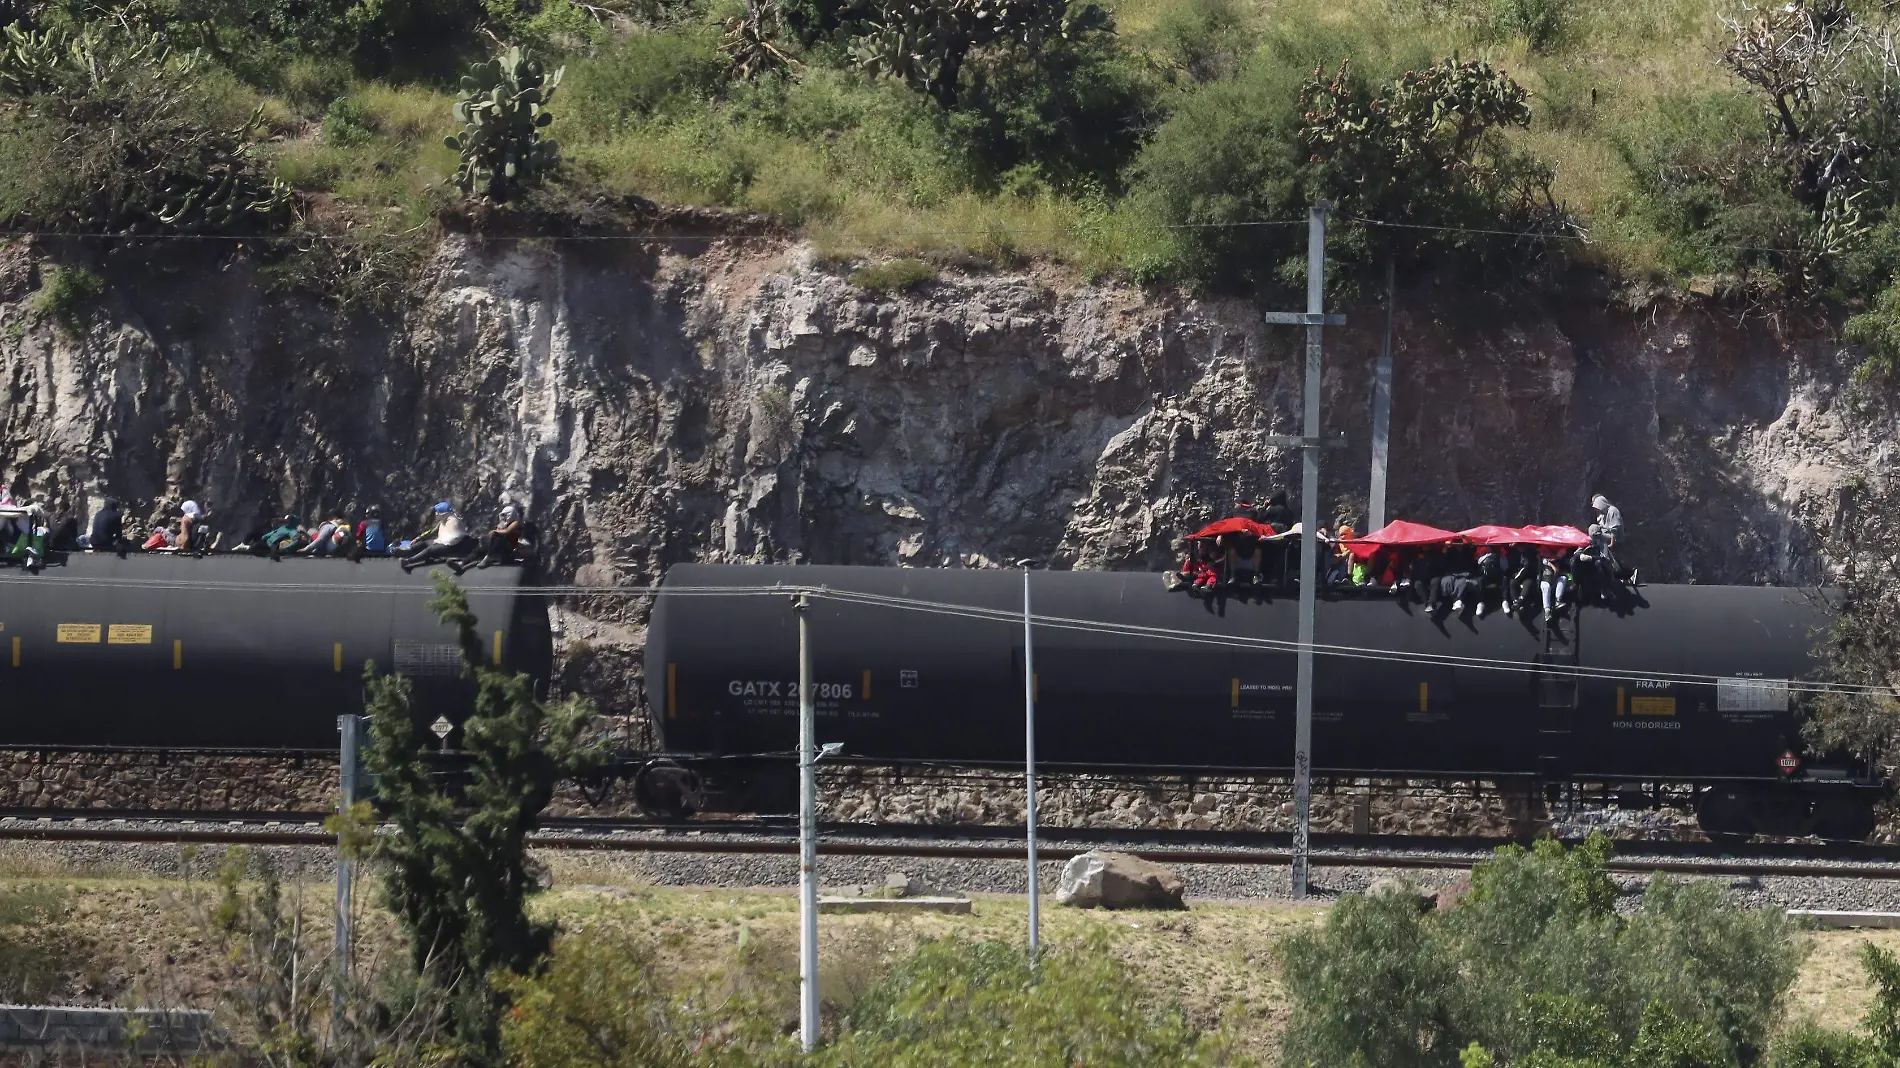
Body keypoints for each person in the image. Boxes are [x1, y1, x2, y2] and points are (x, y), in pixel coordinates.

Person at [402, 502, 474, 571]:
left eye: (438, 512)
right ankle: (405, 551)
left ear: (443, 513)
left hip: (453, 547)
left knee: (430, 549)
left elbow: (455, 539)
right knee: (423, 544)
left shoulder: (454, 521)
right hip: (443, 543)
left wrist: (438, 543)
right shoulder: (442, 522)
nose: (436, 515)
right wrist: (418, 538)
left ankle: (408, 561)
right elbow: (432, 532)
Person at [456, 503, 525, 573]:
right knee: (479, 550)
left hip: (507, 547)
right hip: (498, 546)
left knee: (496, 535)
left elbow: (506, 531)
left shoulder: (515, 522)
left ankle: (489, 557)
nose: (504, 517)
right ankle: (462, 563)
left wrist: (496, 531)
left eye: (506, 515)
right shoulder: (503, 523)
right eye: (503, 515)